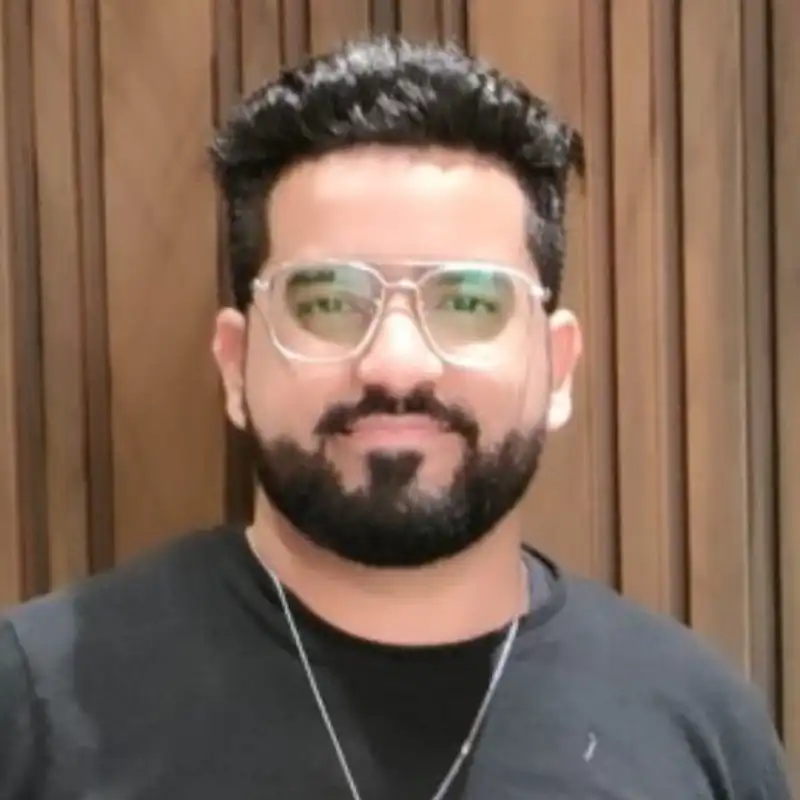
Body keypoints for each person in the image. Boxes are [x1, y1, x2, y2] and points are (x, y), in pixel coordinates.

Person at [0, 36, 791, 800]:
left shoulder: (697, 729)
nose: (397, 363)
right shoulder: (35, 704)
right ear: (236, 365)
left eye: (470, 302)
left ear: (558, 367)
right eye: (328, 302)